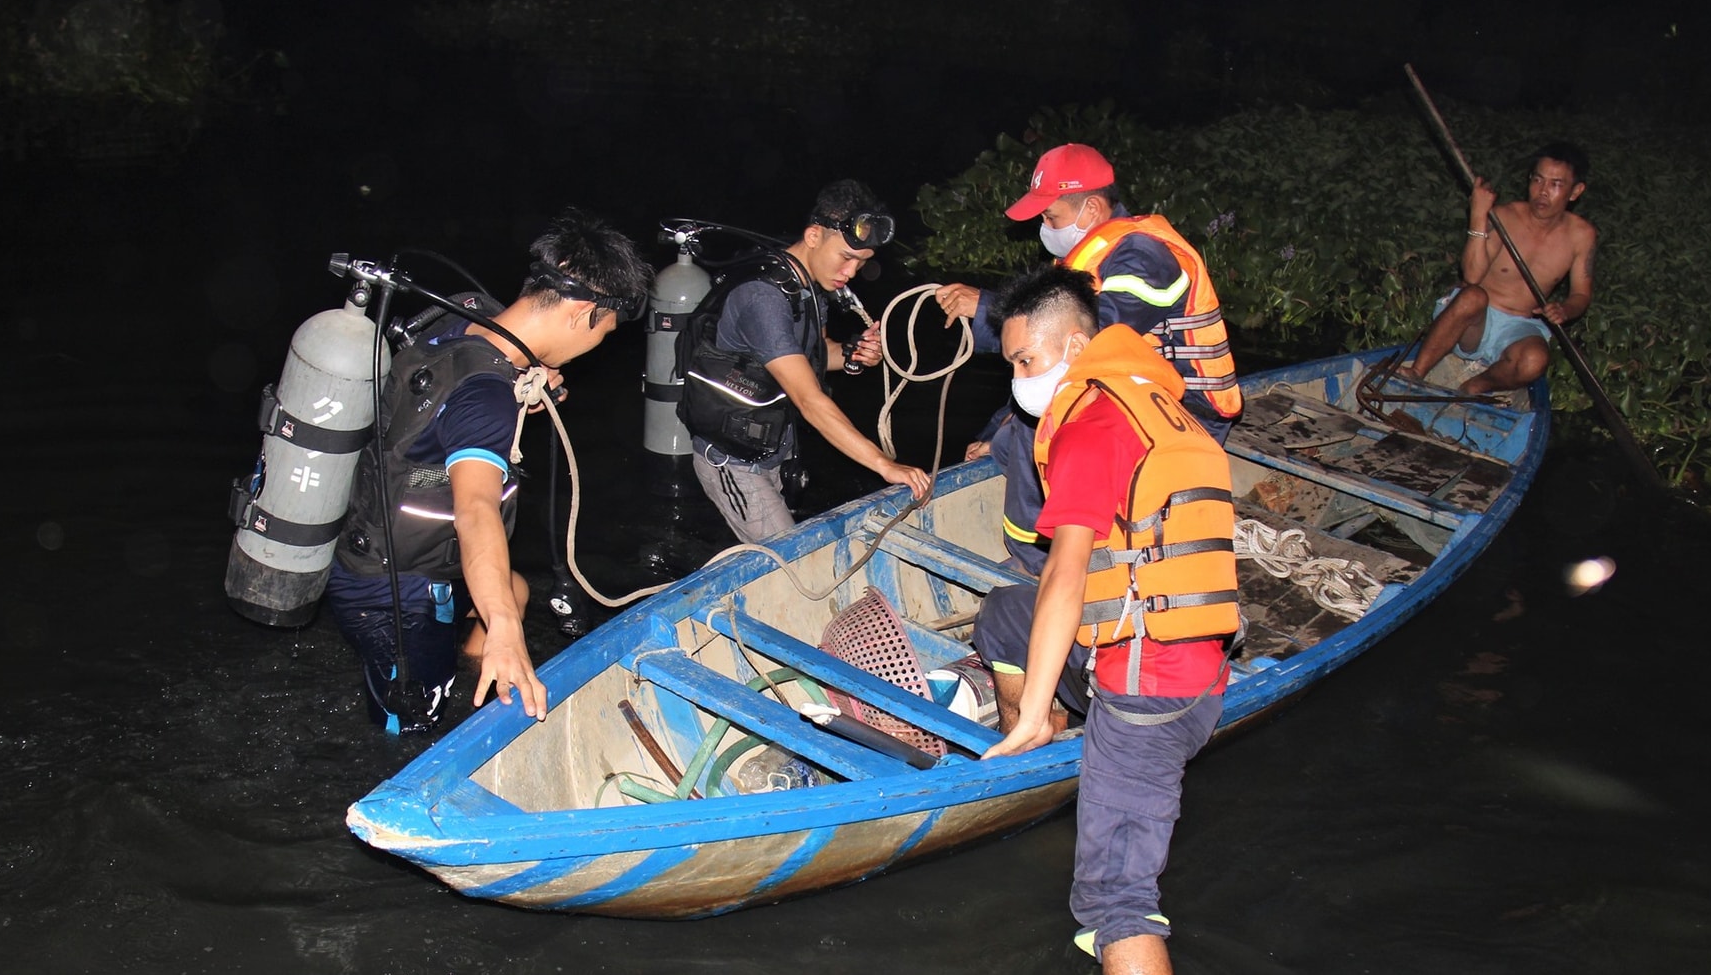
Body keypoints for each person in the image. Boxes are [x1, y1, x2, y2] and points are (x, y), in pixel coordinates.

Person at [974, 264, 1241, 975]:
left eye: (1029, 361)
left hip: (1149, 691)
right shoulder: (1159, 404)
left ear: (1077, 344)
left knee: (1115, 899)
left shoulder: (1092, 423)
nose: (1022, 380)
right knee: (1003, 615)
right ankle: (1056, 740)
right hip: (1196, 658)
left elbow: (1067, 573)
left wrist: (1024, 710)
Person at [325, 209, 652, 733]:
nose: (597, 346)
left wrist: (534, 372)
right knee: (415, 726)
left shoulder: (466, 317)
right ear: (582, 312)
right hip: (391, 588)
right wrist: (504, 631)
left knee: (516, 591)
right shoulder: (485, 396)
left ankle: (470, 664)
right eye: (604, 332)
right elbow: (475, 509)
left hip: (400, 540)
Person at [936, 143, 1241, 574]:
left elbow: (1088, 340)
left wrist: (986, 308)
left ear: (1092, 208)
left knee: (1037, 428)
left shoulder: (1144, 256)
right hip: (1132, 393)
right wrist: (995, 430)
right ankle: (1061, 526)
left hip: (1187, 412)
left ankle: (1037, 561)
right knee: (1009, 438)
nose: (1044, 227)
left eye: (1050, 217)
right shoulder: (1090, 255)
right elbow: (1047, 360)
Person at [683, 180, 932, 543]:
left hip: (773, 446)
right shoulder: (763, 299)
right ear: (814, 235)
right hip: (733, 462)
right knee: (787, 558)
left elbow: (815, 354)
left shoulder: (809, 287)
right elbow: (809, 399)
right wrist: (884, 464)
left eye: (861, 264)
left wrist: (852, 354)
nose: (851, 273)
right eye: (846, 258)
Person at [1402, 142, 1596, 395]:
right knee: (1473, 295)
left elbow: (1581, 295)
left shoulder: (1582, 235)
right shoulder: (1504, 216)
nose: (1543, 191)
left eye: (1555, 184)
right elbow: (1472, 276)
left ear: (1575, 191)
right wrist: (1478, 215)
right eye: (1537, 180)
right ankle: (1417, 371)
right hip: (1473, 322)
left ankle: (1475, 386)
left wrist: (1565, 310)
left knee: (1535, 360)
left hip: (1519, 328)